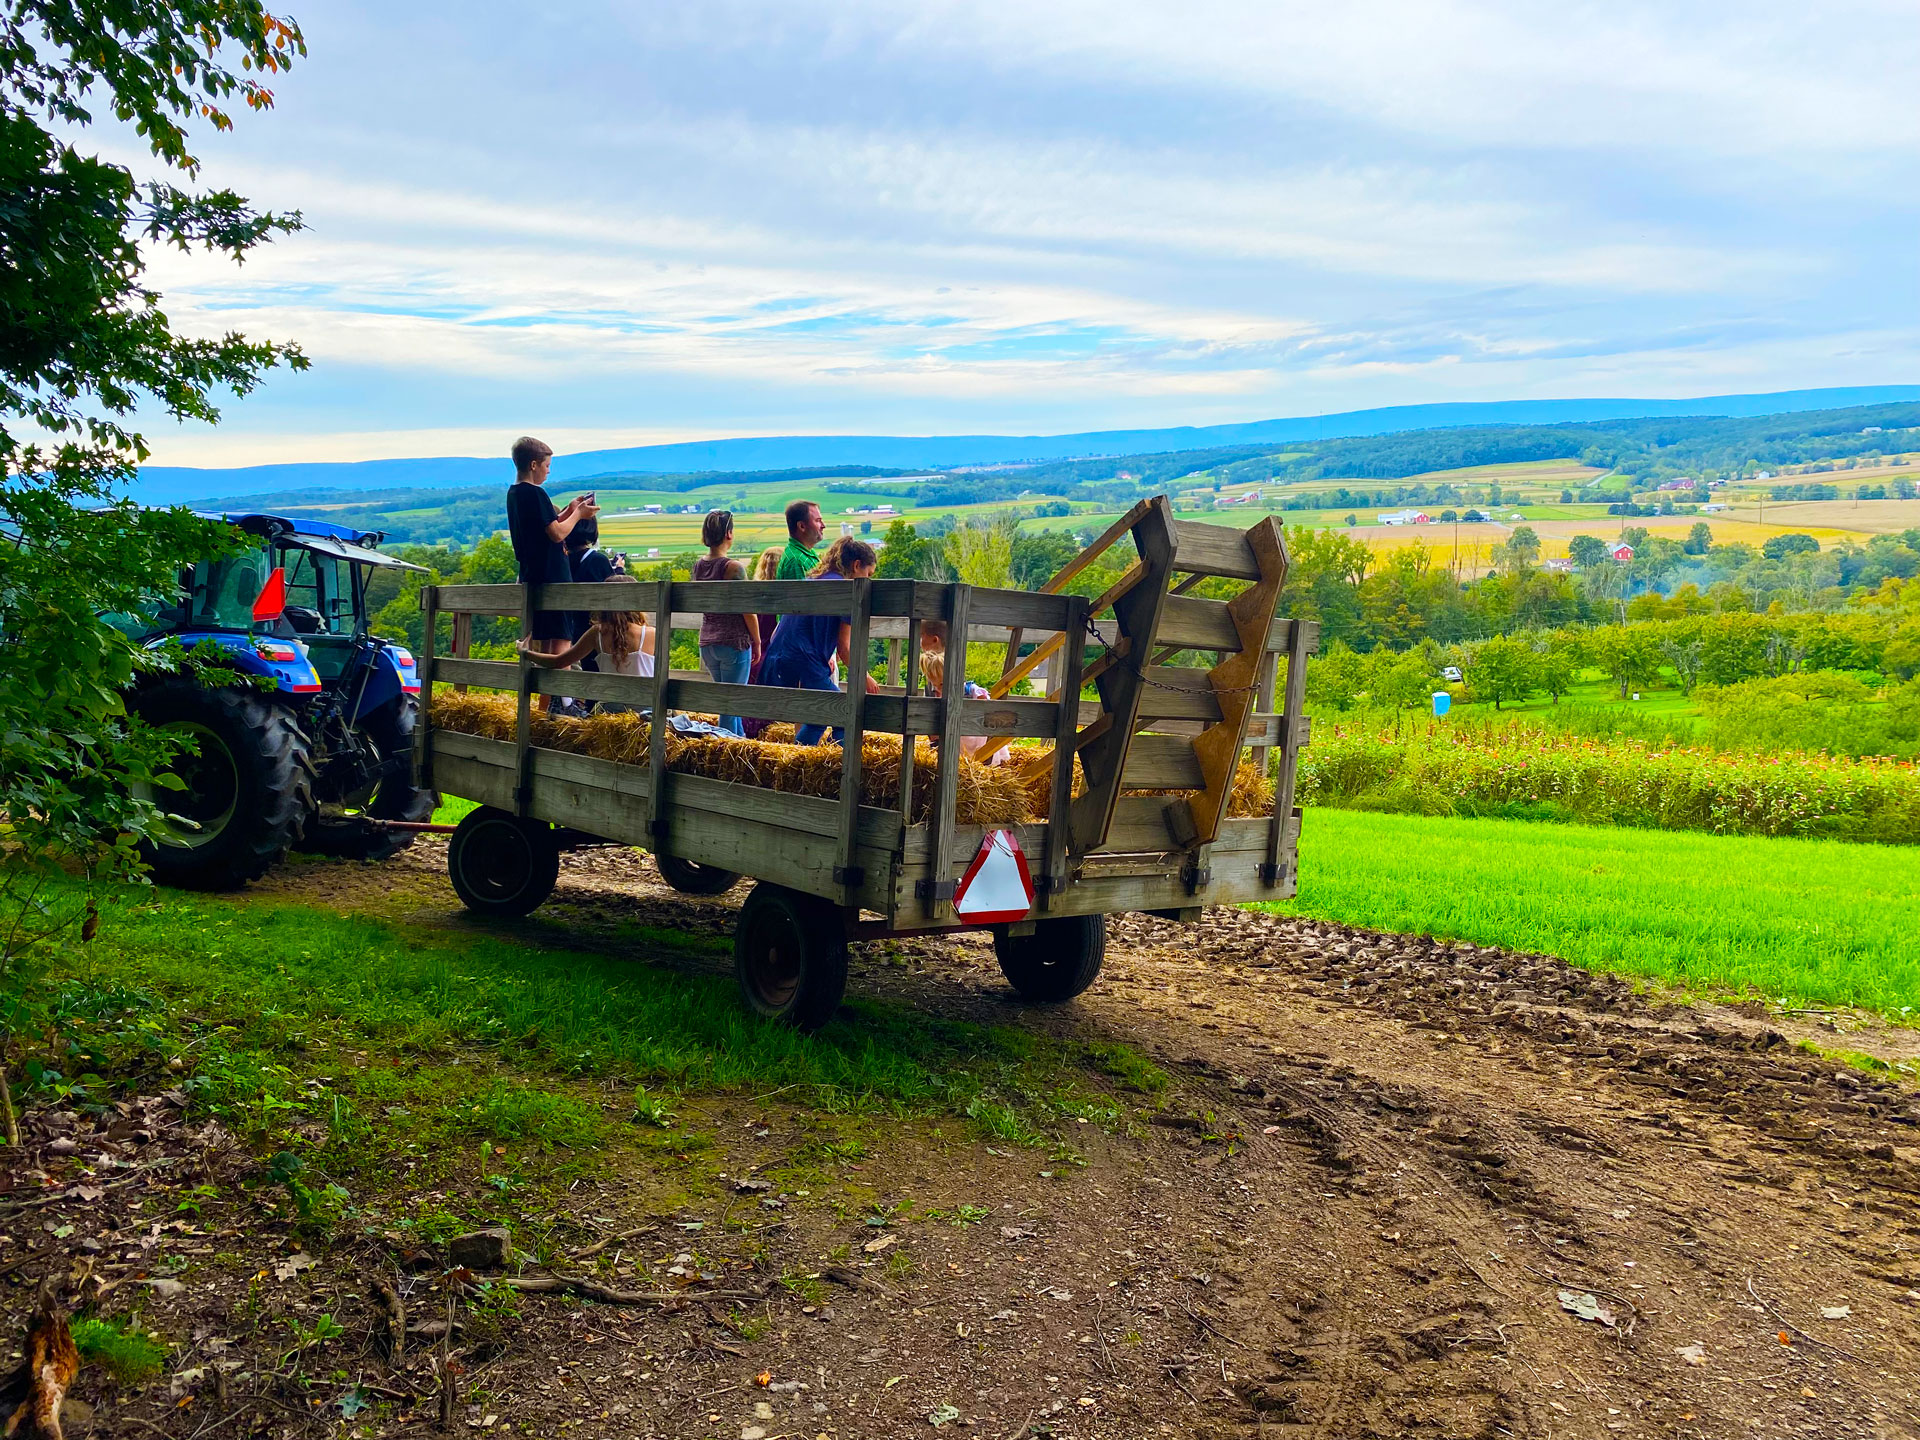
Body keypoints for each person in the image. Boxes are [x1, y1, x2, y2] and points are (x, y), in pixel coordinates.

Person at [758, 538, 879, 747]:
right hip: (806, 659)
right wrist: (864, 677)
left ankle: (804, 758)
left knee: (818, 715)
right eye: (868, 575)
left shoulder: (814, 579)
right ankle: (833, 760)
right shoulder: (847, 591)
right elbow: (844, 646)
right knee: (844, 709)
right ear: (856, 565)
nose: (867, 581)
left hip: (780, 655)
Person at [504, 436, 598, 698]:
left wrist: (570, 509)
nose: (548, 470)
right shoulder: (536, 493)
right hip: (552, 575)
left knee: (545, 642)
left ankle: (548, 703)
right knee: (560, 642)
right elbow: (556, 534)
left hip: (533, 574)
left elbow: (544, 526)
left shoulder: (515, 494)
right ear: (534, 464)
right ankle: (560, 700)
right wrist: (578, 516)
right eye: (547, 465)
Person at [518, 578, 653, 707]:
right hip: (647, 707)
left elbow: (558, 661)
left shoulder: (598, 633)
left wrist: (526, 653)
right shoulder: (651, 633)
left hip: (610, 709)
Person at [691, 510, 761, 736]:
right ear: (729, 533)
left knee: (728, 704)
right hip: (733, 642)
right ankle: (728, 751)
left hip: (707, 642)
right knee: (730, 706)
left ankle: (739, 746)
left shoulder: (698, 566)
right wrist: (757, 641)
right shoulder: (734, 568)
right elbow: (747, 610)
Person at [920, 622, 1012, 766]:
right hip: (959, 741)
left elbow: (987, 707)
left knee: (982, 766)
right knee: (962, 765)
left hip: (976, 739)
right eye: (935, 685)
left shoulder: (970, 690)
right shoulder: (935, 694)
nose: (937, 689)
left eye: (942, 685)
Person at [564, 515, 617, 677]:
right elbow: (615, 594)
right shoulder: (597, 561)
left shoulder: (562, 562)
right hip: (596, 631)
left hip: (568, 630)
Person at [778, 498, 825, 581]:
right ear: (802, 526)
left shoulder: (807, 552)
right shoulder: (796, 561)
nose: (823, 525)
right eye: (818, 521)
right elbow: (800, 593)